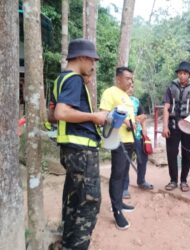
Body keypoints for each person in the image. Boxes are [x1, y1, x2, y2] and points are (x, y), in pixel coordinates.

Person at [53, 38, 107, 249]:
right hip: (82, 151)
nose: (93, 65)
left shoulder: (61, 79)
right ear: (83, 57)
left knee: (73, 202)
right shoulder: (74, 79)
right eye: (92, 60)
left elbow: (51, 114)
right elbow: (61, 112)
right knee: (87, 205)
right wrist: (95, 117)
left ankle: (67, 244)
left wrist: (88, 77)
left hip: (70, 150)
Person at [100, 66, 135, 230]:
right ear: (118, 79)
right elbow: (103, 116)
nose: (130, 81)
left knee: (123, 174)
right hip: (118, 141)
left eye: (131, 79)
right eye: (127, 78)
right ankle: (117, 212)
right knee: (117, 175)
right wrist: (121, 120)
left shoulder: (126, 96)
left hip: (129, 140)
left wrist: (131, 124)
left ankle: (120, 202)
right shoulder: (110, 92)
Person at [162, 61, 190, 192]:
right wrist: (164, 126)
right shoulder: (171, 87)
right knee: (171, 153)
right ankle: (173, 180)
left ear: (189, 74)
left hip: (188, 126)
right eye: (180, 73)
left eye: (185, 73)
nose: (182, 76)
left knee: (186, 154)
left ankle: (184, 181)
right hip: (172, 125)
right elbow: (166, 107)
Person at [122, 83, 153, 193]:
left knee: (143, 159)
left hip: (138, 135)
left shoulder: (136, 101)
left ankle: (141, 181)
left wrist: (144, 129)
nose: (131, 88)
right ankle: (124, 188)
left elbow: (144, 115)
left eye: (132, 87)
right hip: (125, 137)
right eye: (129, 86)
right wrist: (134, 119)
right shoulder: (120, 100)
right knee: (125, 161)